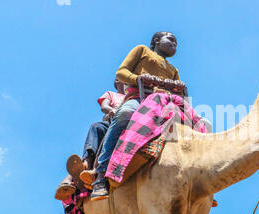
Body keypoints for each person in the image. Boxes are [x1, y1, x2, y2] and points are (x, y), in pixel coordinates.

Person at [90, 31, 180, 201]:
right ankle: (101, 175)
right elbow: (121, 72)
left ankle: (196, 177)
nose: (175, 43)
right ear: (156, 40)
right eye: (171, 39)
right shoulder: (142, 50)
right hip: (140, 98)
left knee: (194, 123)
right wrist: (139, 78)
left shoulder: (173, 70)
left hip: (165, 104)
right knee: (125, 113)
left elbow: (178, 91)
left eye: (176, 42)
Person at [54, 78, 125, 201]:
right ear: (117, 83)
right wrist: (112, 111)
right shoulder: (111, 94)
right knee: (96, 127)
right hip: (112, 120)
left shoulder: (133, 94)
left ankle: (74, 175)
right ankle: (86, 164)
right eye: (119, 79)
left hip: (129, 122)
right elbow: (104, 106)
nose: (123, 81)